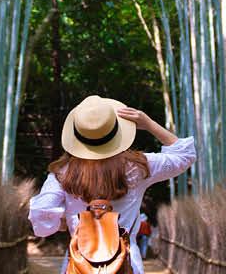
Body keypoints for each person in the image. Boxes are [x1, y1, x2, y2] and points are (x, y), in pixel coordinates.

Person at [29, 95, 196, 274]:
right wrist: (148, 124)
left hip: (79, 265)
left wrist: (62, 222)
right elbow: (184, 155)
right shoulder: (138, 167)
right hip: (126, 264)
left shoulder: (62, 173)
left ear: (77, 136)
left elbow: (40, 214)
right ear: (116, 133)